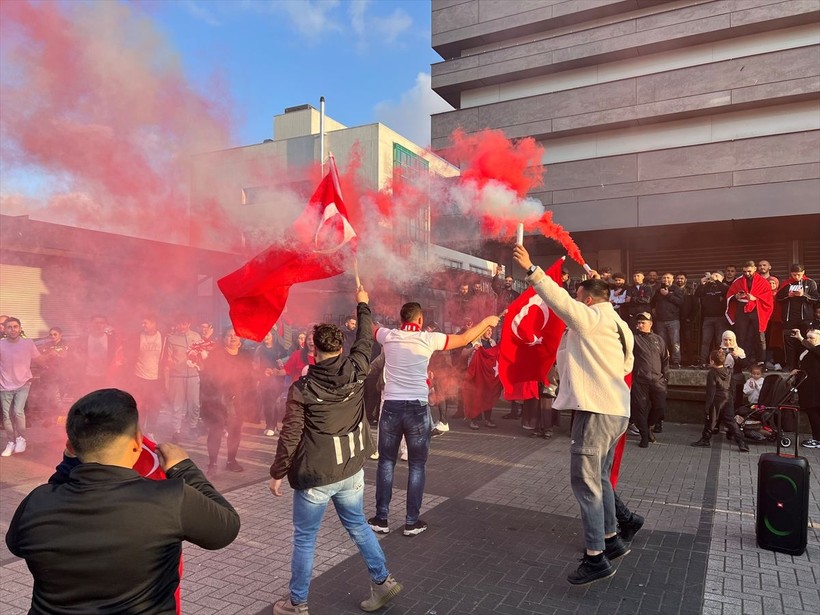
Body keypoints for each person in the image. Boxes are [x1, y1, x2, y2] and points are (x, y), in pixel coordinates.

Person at [6, 388, 240, 613]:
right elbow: (226, 527)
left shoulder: (36, 503)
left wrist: (67, 466)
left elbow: (16, 543)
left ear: (71, 447)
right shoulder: (169, 499)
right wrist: (184, 468)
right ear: (138, 444)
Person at [270, 287, 403, 614]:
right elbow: (365, 340)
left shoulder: (303, 388)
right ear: (340, 347)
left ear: (312, 352)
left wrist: (277, 472)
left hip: (316, 476)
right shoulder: (357, 368)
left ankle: (297, 603)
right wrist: (362, 303)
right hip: (351, 469)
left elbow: (290, 434)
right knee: (357, 524)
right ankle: (382, 581)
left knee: (305, 538)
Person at [513, 244, 634, 586]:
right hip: (615, 410)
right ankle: (611, 540)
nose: (576, 301)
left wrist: (532, 271)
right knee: (601, 479)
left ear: (589, 300)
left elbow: (563, 303)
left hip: (596, 410)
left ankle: (596, 556)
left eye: (580, 296)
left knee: (586, 482)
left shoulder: (592, 318)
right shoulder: (618, 323)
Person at [369, 302, 499, 537]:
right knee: (417, 465)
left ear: (402, 319)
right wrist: (487, 322)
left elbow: (370, 326)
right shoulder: (428, 339)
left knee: (386, 462)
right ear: (419, 320)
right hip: (417, 409)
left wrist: (362, 302)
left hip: (391, 407)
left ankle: (381, 518)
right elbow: (464, 339)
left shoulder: (388, 336)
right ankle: (411, 521)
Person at [200, 327, 254, 473]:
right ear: (223, 339)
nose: (233, 338)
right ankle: (213, 463)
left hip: (238, 400)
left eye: (236, 335)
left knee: (235, 431)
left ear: (240, 340)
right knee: (215, 431)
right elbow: (208, 378)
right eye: (229, 335)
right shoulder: (216, 355)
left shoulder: (245, 356)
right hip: (218, 399)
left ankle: (231, 460)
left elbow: (250, 379)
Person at [690, 350, 749, 451]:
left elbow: (711, 390)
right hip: (728, 398)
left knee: (710, 420)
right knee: (731, 421)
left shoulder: (712, 373)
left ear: (712, 361)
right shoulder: (729, 371)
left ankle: (705, 439)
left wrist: (707, 407)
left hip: (716, 399)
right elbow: (732, 386)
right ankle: (741, 442)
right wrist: (732, 398)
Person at [0, 317, 41, 457]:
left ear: (20, 328)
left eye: (15, 326)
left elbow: (39, 359)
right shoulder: (0, 344)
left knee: (18, 412)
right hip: (4, 385)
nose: (13, 329)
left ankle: (21, 438)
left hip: (23, 383)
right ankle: (10, 442)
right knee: (7, 416)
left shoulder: (28, 343)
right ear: (4, 329)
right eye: (9, 327)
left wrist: (54, 358)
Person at [163, 313, 203, 443]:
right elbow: (167, 359)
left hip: (193, 375)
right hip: (177, 376)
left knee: (195, 404)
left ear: (189, 324)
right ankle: (176, 430)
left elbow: (202, 354)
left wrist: (199, 364)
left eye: (184, 323)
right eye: (179, 323)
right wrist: (170, 372)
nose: (181, 326)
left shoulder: (196, 337)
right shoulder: (171, 339)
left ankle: (192, 427)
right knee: (177, 405)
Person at [631, 313, 669, 448]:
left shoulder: (658, 340)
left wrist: (665, 377)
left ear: (650, 324)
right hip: (640, 381)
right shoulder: (634, 339)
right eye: (638, 323)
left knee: (659, 408)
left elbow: (665, 359)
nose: (640, 325)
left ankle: (647, 428)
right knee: (639, 409)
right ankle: (644, 436)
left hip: (657, 380)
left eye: (643, 322)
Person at [725, 261, 774, 366]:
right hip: (742, 309)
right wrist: (736, 297)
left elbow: (768, 298)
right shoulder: (738, 281)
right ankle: (743, 360)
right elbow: (730, 294)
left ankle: (761, 361)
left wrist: (754, 298)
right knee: (741, 336)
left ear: (755, 269)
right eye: (744, 271)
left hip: (757, 309)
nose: (747, 273)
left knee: (760, 335)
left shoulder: (763, 282)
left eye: (749, 271)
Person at [775, 264, 819, 370]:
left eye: (799, 274)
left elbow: (816, 299)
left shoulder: (810, 282)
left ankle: (804, 365)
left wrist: (804, 295)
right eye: (794, 275)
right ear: (791, 274)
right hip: (790, 318)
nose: (796, 277)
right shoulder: (787, 283)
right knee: (790, 342)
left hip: (805, 319)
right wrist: (788, 296)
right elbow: (778, 298)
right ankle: (791, 365)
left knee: (804, 341)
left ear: (803, 272)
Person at [127, 313, 165, 436]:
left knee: (155, 406)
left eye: (146, 323)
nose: (143, 325)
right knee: (141, 405)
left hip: (156, 378)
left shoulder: (163, 337)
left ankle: (151, 432)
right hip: (140, 377)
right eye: (142, 323)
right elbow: (130, 355)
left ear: (154, 323)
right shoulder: (137, 337)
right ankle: (140, 431)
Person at [791, 329, 820, 448]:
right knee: (812, 412)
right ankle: (816, 437)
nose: (808, 340)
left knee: (814, 412)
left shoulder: (817, 348)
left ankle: (818, 439)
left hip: (815, 387)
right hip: (807, 385)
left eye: (811, 338)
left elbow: (815, 351)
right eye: (807, 337)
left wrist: (801, 338)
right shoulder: (807, 350)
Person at [695, 272, 729, 366]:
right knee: (705, 341)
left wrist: (717, 280)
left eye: (717, 275)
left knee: (720, 341)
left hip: (720, 318)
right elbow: (697, 294)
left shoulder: (723, 286)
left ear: (722, 278)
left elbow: (726, 291)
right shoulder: (707, 287)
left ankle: (720, 362)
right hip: (708, 318)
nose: (714, 277)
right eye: (713, 275)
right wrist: (702, 284)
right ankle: (703, 362)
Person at [650, 272, 683, 368]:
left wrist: (668, 294)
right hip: (660, 321)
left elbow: (680, 302)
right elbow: (652, 302)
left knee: (675, 342)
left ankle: (676, 361)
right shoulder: (658, 290)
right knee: (662, 343)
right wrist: (653, 309)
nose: (666, 280)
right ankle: (664, 361)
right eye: (664, 278)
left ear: (673, 279)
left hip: (673, 320)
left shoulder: (676, 289)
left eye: (668, 278)